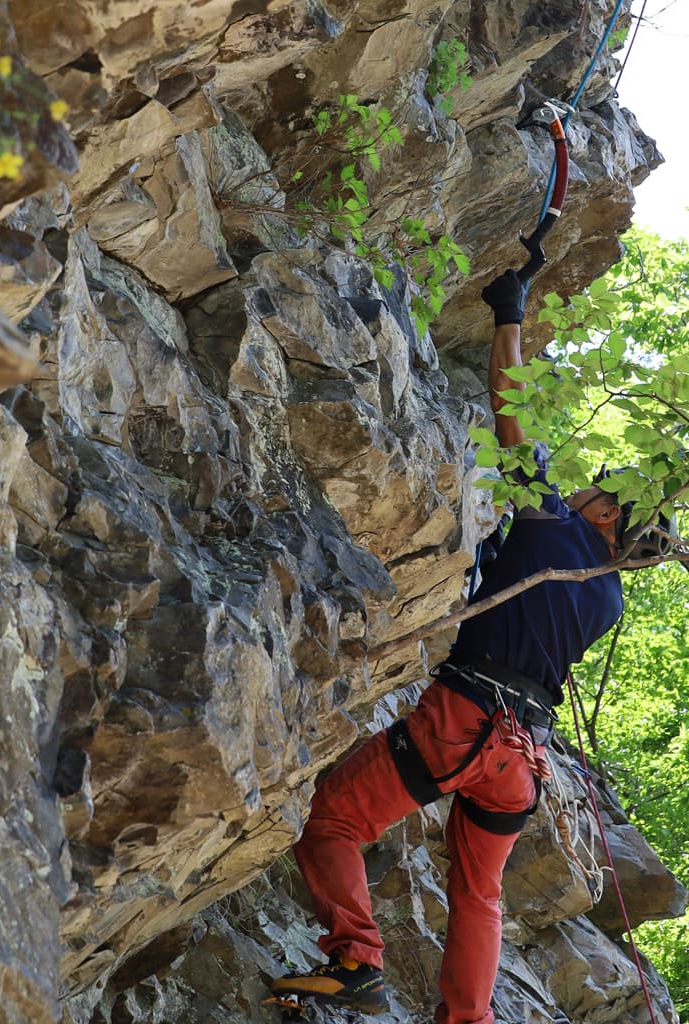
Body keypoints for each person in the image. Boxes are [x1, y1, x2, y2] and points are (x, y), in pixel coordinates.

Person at [269, 270, 627, 1024]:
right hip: (521, 760)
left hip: (463, 720)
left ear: (607, 517)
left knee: (334, 817)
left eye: (602, 490)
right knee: (479, 894)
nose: (589, 488)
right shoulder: (610, 598)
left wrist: (509, 312)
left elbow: (510, 403)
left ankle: (356, 960)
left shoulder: (550, 521)